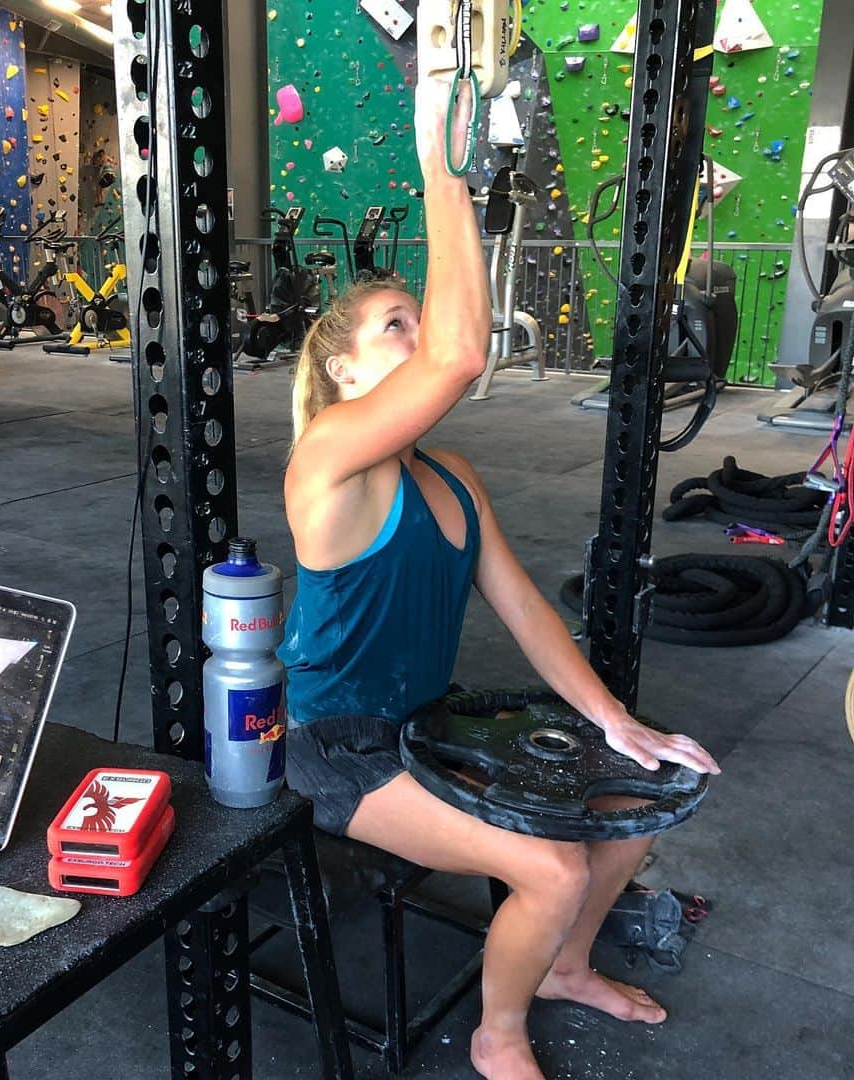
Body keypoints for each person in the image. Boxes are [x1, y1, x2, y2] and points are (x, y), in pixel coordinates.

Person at [278, 73, 721, 1080]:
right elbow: (462, 350)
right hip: (339, 748)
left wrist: (617, 721)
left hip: (431, 723)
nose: (421, 336)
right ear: (346, 373)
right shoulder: (329, 460)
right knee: (551, 863)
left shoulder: (453, 478)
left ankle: (562, 966)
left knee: (630, 808)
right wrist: (444, 170)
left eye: (412, 320)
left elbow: (526, 612)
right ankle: (498, 1033)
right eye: (398, 326)